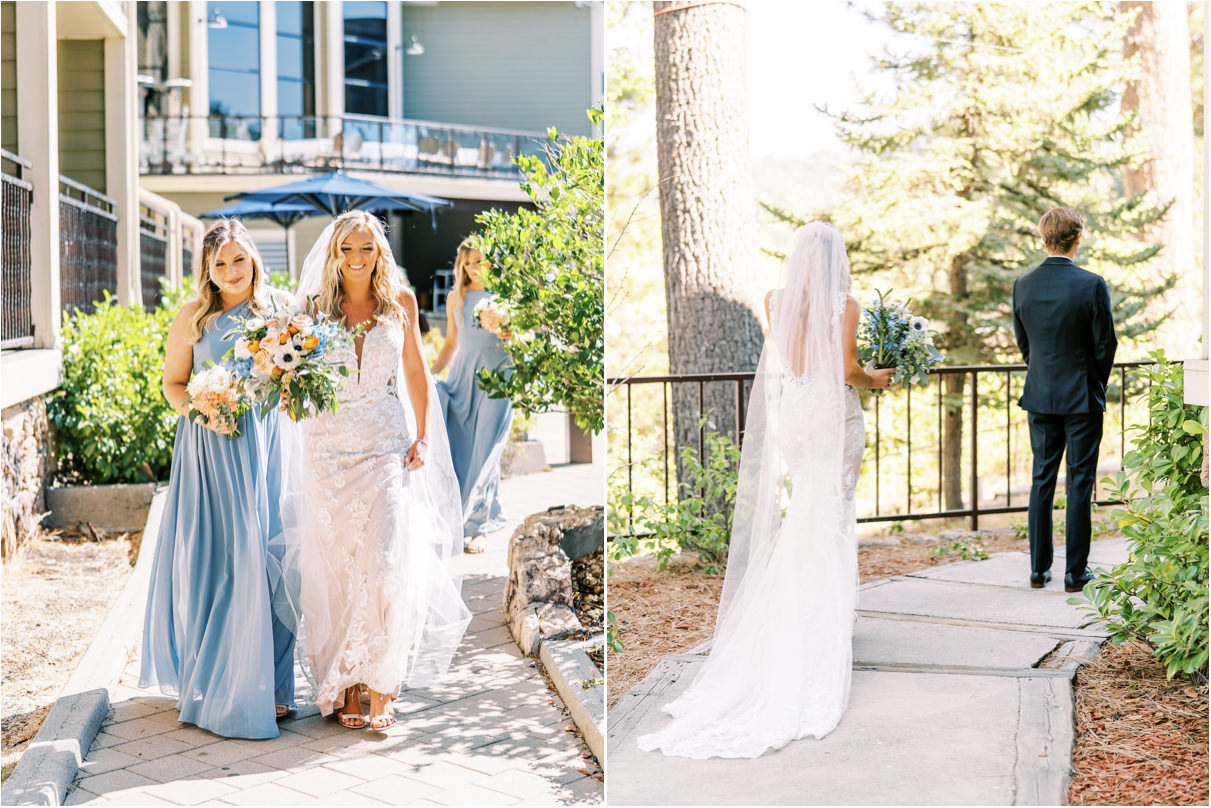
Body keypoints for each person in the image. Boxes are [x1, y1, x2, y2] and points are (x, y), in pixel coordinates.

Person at [637, 222, 893, 759]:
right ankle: (821, 625)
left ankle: (798, 615)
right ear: (834, 257)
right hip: (832, 414)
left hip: (796, 414)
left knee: (808, 510)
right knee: (830, 513)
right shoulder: (845, 303)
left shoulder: (776, 300)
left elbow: (790, 362)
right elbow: (847, 370)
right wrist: (878, 377)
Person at [283, 211, 471, 730]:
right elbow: (290, 374)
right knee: (340, 566)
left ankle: (383, 685)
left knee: (385, 563)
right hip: (329, 449)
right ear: (334, 253)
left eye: (366, 249)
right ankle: (346, 684)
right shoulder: (315, 309)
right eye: (347, 249)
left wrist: (425, 436)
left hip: (386, 445)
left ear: (379, 253)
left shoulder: (401, 304)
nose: (357, 259)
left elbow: (416, 372)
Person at [140, 219, 296, 739]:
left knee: (266, 557)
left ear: (254, 258)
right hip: (208, 451)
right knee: (215, 562)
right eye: (221, 264)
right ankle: (210, 678)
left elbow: (296, 378)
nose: (232, 272)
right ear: (207, 270)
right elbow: (172, 385)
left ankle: (273, 688)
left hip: (264, 449)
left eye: (240, 260)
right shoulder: (194, 318)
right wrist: (203, 412)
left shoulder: (279, 311)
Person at [1012, 207, 1117, 593]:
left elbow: (1025, 345)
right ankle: (1076, 574)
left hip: (1039, 395)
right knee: (1079, 481)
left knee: (1042, 479)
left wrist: (1043, 374)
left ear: (1044, 238)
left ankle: (1038, 571)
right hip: (1082, 398)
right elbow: (1106, 344)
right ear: (1078, 238)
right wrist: (1094, 383)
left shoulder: (1022, 284)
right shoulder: (1092, 284)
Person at [431, 238, 514, 554]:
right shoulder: (457, 297)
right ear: (462, 267)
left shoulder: (508, 296)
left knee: (486, 451)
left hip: (500, 381)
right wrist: (429, 375)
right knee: (462, 451)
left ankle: (478, 528)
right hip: (464, 379)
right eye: (470, 262)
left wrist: (512, 333)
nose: (476, 267)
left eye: (481, 260)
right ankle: (460, 519)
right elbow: (452, 344)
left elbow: (524, 338)